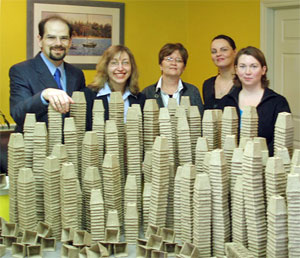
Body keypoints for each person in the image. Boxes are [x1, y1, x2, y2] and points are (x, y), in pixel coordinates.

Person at [9, 15, 86, 133]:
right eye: (51, 37)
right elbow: (18, 114)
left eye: (64, 38)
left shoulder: (77, 74)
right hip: (36, 147)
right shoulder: (21, 71)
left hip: (70, 147)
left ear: (70, 42)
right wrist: (43, 96)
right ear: (40, 40)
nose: (58, 43)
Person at [220, 46, 291, 156]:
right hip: (232, 166)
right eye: (242, 66)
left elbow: (281, 142)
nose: (247, 72)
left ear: (263, 70)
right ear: (236, 70)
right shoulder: (227, 101)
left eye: (254, 66)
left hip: (266, 166)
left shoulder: (277, 102)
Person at [83, 45, 146, 130]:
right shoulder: (88, 96)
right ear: (105, 67)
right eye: (114, 63)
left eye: (125, 63)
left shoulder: (140, 99)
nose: (120, 68)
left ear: (132, 67)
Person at [142, 43, 204, 115]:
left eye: (178, 60)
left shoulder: (193, 91)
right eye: (169, 59)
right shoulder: (147, 93)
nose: (173, 63)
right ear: (160, 65)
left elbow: (200, 120)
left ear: (184, 67)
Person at [202, 35, 236, 109]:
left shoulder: (244, 84)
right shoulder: (207, 84)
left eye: (224, 50)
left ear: (234, 52)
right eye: (214, 51)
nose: (218, 54)